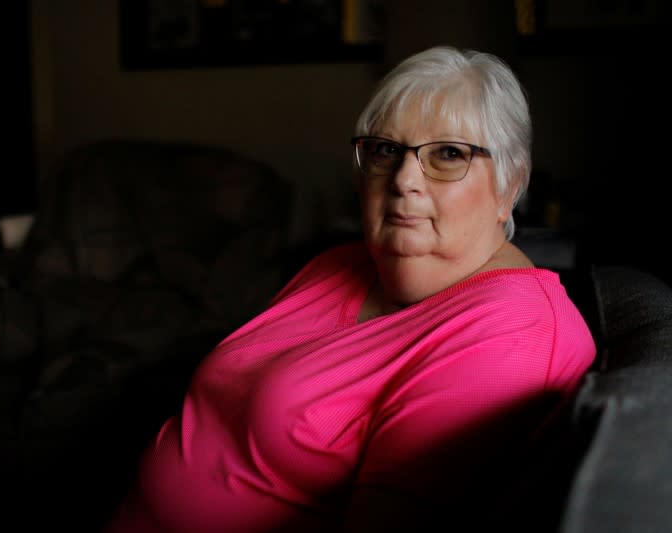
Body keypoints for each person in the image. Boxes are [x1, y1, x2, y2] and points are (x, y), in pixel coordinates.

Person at [106, 45, 596, 532]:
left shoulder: (511, 334)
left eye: (449, 154)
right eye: (386, 149)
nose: (405, 179)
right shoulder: (342, 262)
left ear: (511, 184)